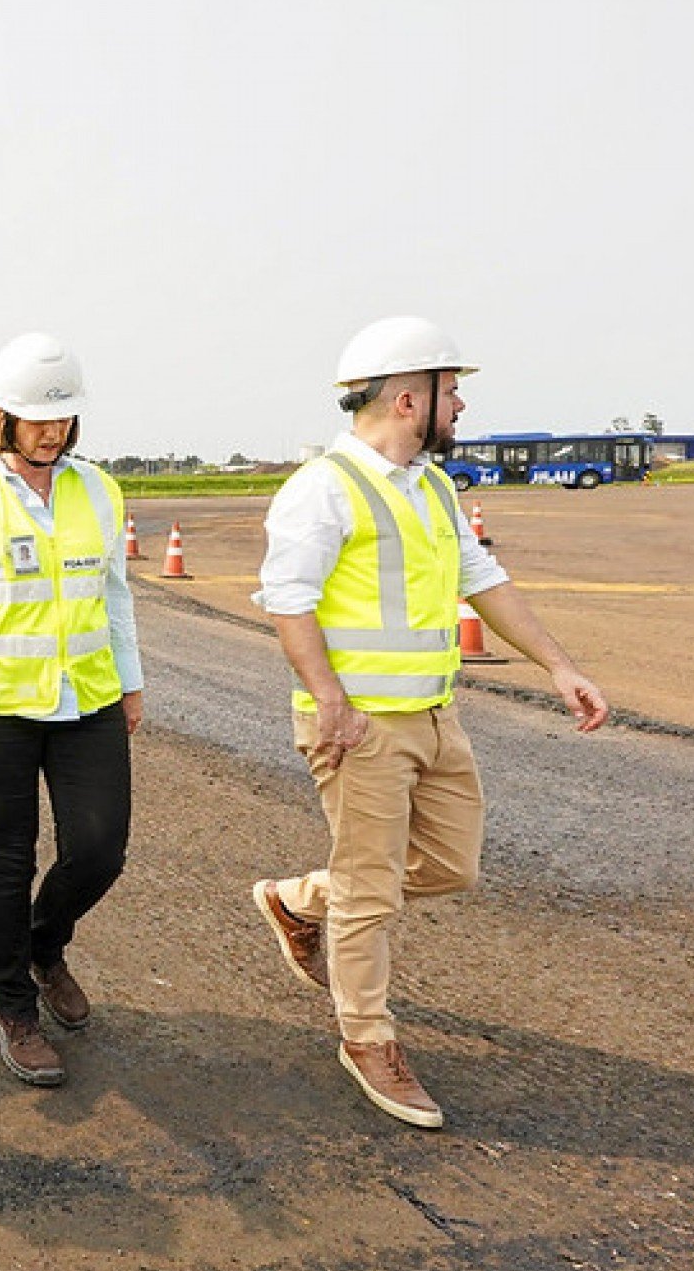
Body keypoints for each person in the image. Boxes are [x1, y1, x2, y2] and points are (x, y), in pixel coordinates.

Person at [250, 316, 608, 1129]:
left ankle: (301, 900)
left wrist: (560, 665)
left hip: (435, 717)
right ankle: (367, 1038)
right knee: (372, 892)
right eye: (455, 391)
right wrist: (332, 702)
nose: (464, 406)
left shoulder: (434, 487)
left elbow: (486, 583)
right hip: (361, 728)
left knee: (453, 865)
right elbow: (288, 600)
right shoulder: (324, 487)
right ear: (412, 399)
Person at [0, 332, 143, 1088]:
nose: (52, 430)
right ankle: (14, 1007)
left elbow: (114, 595)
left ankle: (45, 945)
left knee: (99, 848)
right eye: (37, 417)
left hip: (87, 700)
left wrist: (131, 681)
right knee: (6, 860)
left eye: (63, 417)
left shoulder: (99, 491)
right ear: (3, 417)